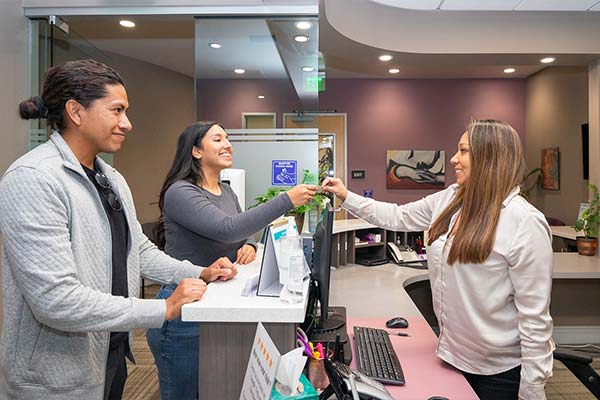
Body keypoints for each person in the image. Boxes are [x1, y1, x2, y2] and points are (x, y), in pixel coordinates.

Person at [0, 59, 238, 400]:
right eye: (117, 110)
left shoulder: (111, 178)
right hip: (54, 378)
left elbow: (138, 251)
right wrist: (163, 308)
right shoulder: (33, 179)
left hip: (108, 352)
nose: (127, 123)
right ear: (75, 112)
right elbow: (55, 300)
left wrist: (201, 271)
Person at [322, 119, 554, 400]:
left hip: (497, 373)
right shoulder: (451, 198)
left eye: (464, 151)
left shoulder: (524, 222)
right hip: (451, 355)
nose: (454, 159)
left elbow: (535, 319)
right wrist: (347, 196)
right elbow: (398, 216)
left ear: (490, 157)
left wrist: (532, 389)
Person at [146, 121, 317, 400]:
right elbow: (226, 228)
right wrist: (286, 199)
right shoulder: (181, 192)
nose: (227, 144)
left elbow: (239, 230)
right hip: (183, 309)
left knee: (212, 387)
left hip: (214, 302)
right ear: (196, 151)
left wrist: (248, 244)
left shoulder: (226, 191)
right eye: (217, 139)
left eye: (227, 138)